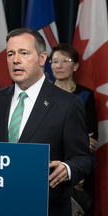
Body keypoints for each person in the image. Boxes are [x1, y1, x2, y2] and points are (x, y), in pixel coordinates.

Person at [0, 28, 93, 216]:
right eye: (10, 54)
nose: (15, 60)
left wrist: (67, 169)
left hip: (45, 207)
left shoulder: (68, 104)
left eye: (24, 53)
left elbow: (83, 158)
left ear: (42, 58)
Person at [50, 43, 98, 216]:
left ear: (76, 65)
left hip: (82, 168)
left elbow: (91, 141)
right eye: (55, 61)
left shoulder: (86, 95)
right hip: (50, 168)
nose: (59, 65)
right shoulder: (42, 94)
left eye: (65, 60)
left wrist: (75, 171)